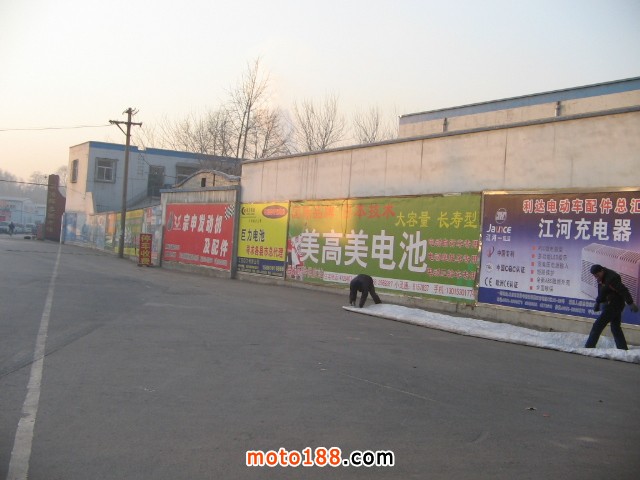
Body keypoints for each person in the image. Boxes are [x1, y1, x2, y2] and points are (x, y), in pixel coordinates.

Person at [585, 264, 638, 350]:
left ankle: (589, 347)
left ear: (601, 271)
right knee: (615, 327)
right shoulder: (601, 277)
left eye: (597, 275)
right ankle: (622, 348)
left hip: (614, 304)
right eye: (595, 276)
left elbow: (623, 290)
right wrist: (598, 302)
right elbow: (602, 291)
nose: (596, 277)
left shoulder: (612, 278)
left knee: (598, 325)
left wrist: (630, 303)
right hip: (612, 303)